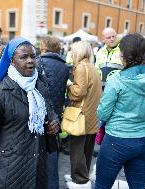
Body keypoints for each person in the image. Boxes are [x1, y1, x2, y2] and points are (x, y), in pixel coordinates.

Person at [0, 37, 60, 189]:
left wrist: (55, 123)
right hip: (11, 166)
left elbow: (51, 112)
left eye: (33, 56)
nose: (30, 61)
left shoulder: (40, 86)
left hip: (37, 163)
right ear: (12, 61)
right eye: (23, 57)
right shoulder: (0, 91)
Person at [95, 33, 145, 189]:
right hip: (144, 140)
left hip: (116, 141)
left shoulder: (116, 79)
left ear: (123, 54)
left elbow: (103, 114)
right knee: (138, 186)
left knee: (102, 186)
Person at [65, 41, 102, 189]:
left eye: (73, 51)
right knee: (87, 148)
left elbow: (79, 92)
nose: (72, 53)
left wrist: (68, 86)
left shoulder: (80, 67)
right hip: (91, 114)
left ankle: (79, 180)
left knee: (77, 148)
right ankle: (81, 175)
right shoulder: (92, 67)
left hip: (81, 114)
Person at [37, 35, 69, 189]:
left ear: (44, 47)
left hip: (40, 113)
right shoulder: (64, 66)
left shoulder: (38, 62)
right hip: (55, 113)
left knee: (38, 152)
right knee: (52, 151)